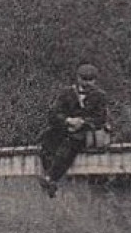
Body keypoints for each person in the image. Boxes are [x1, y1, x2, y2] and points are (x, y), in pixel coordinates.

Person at [38, 63, 112, 197]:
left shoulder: (100, 96)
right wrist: (68, 120)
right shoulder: (67, 93)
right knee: (47, 138)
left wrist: (82, 122)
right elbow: (54, 114)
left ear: (95, 80)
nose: (88, 83)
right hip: (67, 127)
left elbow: (100, 118)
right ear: (78, 78)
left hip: (88, 132)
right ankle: (50, 178)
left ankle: (51, 178)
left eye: (91, 80)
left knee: (73, 142)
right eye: (84, 79)